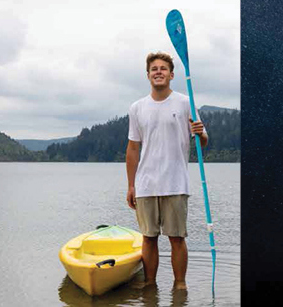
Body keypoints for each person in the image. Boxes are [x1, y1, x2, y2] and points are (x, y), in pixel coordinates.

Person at [126, 51, 208, 290]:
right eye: (154, 69)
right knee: (148, 238)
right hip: (146, 184)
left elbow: (202, 142)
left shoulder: (185, 103)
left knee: (177, 238)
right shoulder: (137, 107)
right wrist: (131, 185)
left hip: (175, 182)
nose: (158, 72)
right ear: (148, 75)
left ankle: (180, 285)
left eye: (163, 68)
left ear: (171, 75)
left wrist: (200, 132)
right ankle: (150, 284)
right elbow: (132, 148)